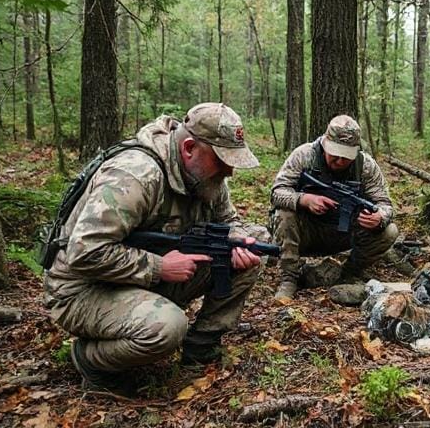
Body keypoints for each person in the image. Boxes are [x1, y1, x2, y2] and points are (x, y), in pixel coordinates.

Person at [43, 103, 269, 396]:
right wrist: (159, 267)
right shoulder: (136, 175)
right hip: (83, 289)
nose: (230, 170)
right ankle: (91, 360)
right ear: (189, 148)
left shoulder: (207, 177)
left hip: (138, 277)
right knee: (168, 327)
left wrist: (237, 239)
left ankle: (201, 346)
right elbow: (84, 252)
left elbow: (229, 220)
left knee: (249, 251)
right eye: (222, 159)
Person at [270, 115, 398, 303]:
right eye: (334, 154)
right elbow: (277, 193)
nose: (339, 161)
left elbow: (385, 204)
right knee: (284, 213)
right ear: (325, 142)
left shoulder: (366, 166)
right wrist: (304, 199)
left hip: (345, 233)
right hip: (306, 231)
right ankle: (289, 278)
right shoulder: (304, 155)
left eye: (345, 157)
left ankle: (349, 274)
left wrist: (380, 217)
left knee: (389, 231)